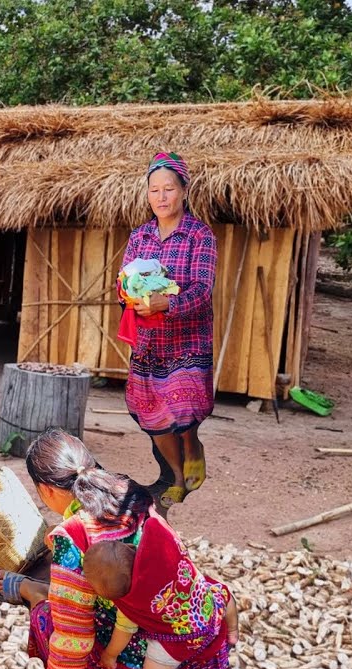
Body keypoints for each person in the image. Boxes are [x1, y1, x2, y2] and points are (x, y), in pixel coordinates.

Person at [0, 429, 237, 669]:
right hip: (184, 614)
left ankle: (36, 594)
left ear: (46, 490)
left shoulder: (73, 537)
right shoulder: (129, 493)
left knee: (51, 618)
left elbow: (74, 639)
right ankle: (40, 589)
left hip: (141, 644)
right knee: (76, 583)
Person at [120, 152, 217, 508]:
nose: (161, 197)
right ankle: (176, 477)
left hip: (188, 340)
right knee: (153, 416)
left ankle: (192, 445)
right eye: (154, 190)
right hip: (148, 341)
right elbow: (124, 280)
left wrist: (167, 304)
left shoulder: (199, 235)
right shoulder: (140, 236)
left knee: (185, 412)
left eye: (169, 189)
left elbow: (202, 291)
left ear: (184, 191)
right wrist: (130, 296)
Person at [88, 541, 239, 669]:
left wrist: (110, 655)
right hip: (206, 605)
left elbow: (123, 632)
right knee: (221, 591)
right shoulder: (157, 558)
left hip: (187, 635)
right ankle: (232, 631)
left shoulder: (131, 604)